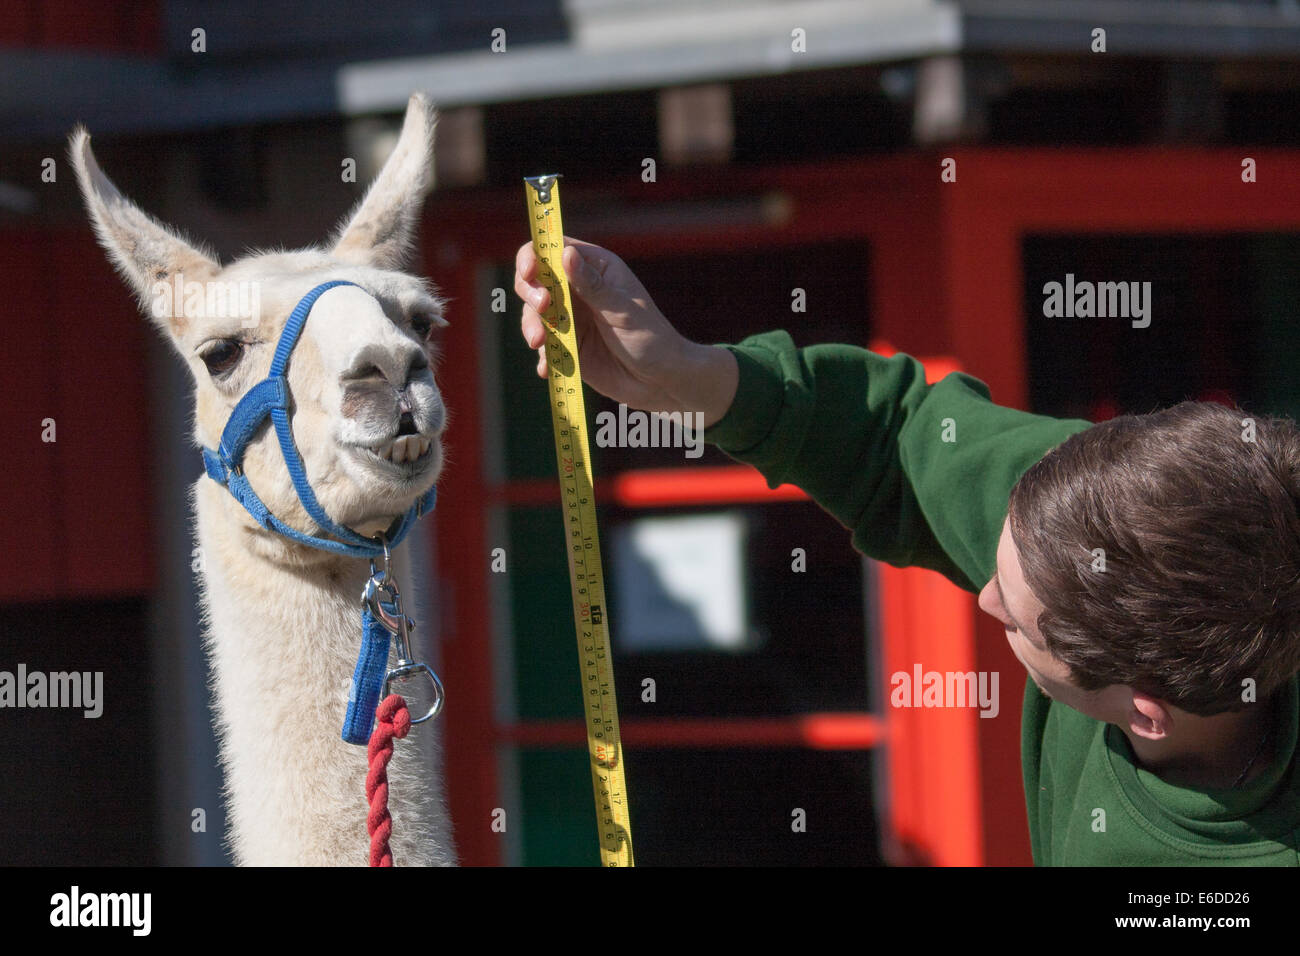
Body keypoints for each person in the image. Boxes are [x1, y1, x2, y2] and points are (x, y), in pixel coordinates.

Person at [513, 237, 1300, 866]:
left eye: (1020, 624)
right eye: (1002, 562)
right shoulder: (1113, 516)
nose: (987, 597)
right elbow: (894, 440)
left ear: (1146, 712)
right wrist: (686, 374)